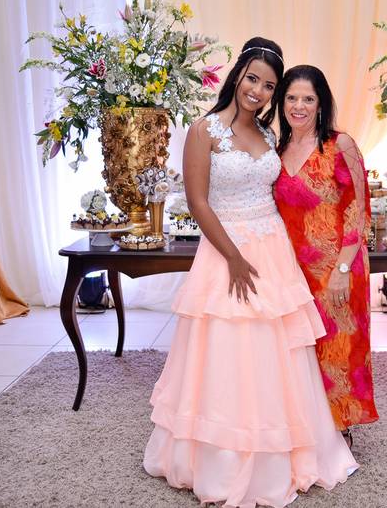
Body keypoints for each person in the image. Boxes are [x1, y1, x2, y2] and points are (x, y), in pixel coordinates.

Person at [143, 39, 358, 508]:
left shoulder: (266, 132)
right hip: (228, 251)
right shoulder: (204, 130)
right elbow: (198, 202)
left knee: (277, 351)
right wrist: (234, 258)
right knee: (229, 348)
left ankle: (288, 448)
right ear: (237, 75)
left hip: (274, 248)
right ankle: (222, 457)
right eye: (252, 78)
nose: (258, 91)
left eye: (269, 86)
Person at [273, 65, 379, 448]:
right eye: (291, 98)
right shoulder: (276, 150)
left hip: (337, 266)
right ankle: (307, 424)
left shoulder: (340, 145)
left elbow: (358, 211)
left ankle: (340, 428)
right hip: (292, 270)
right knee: (300, 350)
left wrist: (343, 268)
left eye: (308, 98)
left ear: (321, 104)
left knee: (337, 350)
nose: (298, 106)